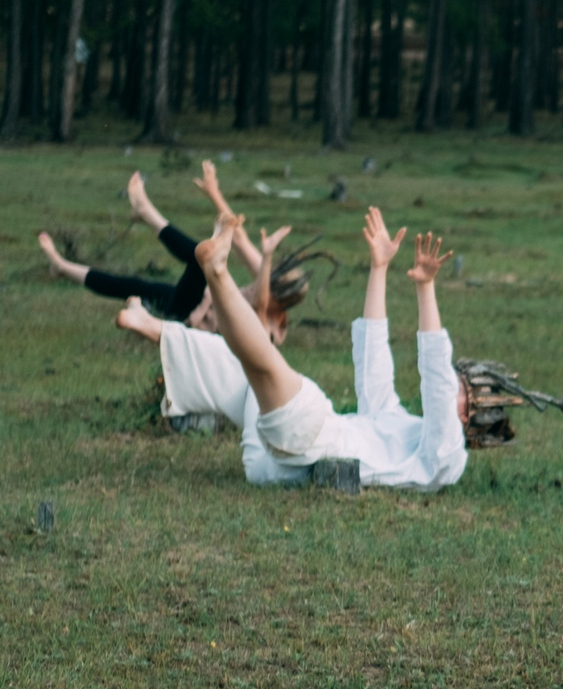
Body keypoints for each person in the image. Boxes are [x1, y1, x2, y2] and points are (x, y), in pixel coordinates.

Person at [121, 206, 468, 492]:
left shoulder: (446, 458)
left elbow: (437, 379)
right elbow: (372, 359)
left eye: (460, 390)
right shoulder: (397, 422)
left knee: (268, 366)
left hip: (312, 439)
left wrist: (425, 289)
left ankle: (218, 273)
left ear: (468, 417)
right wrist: (379, 268)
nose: (451, 384)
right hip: (275, 462)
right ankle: (151, 324)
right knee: (241, 366)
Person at [39, 163, 308, 339]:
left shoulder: (272, 325)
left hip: (187, 321)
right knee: (131, 284)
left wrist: (204, 309)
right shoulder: (266, 278)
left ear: (282, 303)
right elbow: (237, 235)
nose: (263, 281)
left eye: (272, 284)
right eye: (269, 277)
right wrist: (214, 192)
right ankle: (61, 267)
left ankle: (145, 212)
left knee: (200, 259)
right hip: (191, 300)